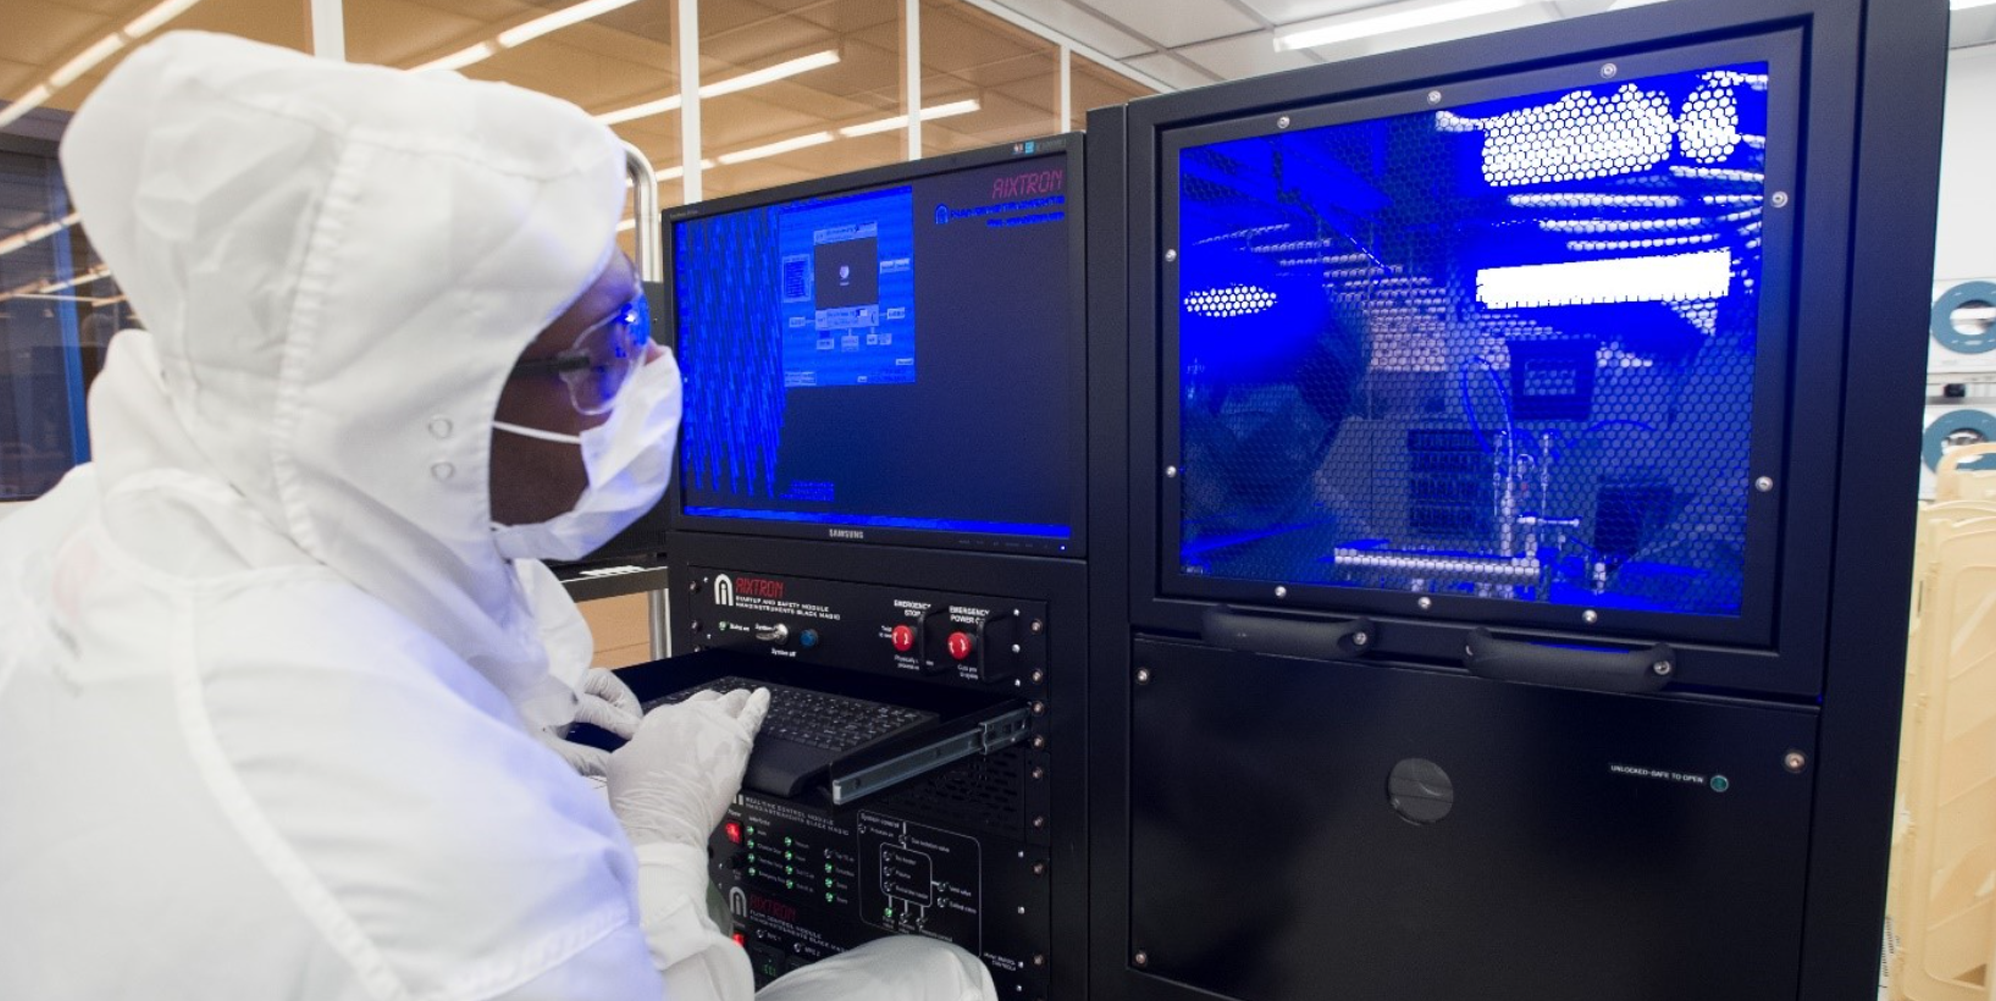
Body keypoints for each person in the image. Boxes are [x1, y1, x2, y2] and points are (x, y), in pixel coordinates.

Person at [0, 31, 995, 1001]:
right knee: (937, 970)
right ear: (431, 404)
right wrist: (651, 839)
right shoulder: (460, 865)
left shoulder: (95, 530)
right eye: (606, 347)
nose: (652, 374)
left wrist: (512, 718)